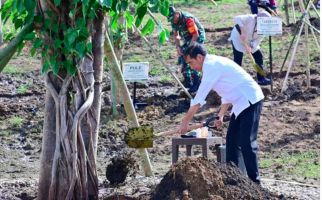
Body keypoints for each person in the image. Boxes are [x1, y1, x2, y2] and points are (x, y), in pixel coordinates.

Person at [179, 44, 264, 184]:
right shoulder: (212, 65)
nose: (191, 67)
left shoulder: (211, 66)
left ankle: (255, 183)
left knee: (247, 142)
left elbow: (199, 98)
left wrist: (185, 121)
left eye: (191, 62)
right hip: (239, 103)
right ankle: (234, 181)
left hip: (250, 99)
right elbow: (227, 93)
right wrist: (220, 115)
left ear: (199, 57)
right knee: (231, 141)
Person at [229, 9, 272, 86]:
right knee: (238, 58)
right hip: (238, 38)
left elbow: (259, 39)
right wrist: (242, 32)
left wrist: (251, 47)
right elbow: (237, 18)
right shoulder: (251, 18)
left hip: (250, 42)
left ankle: (261, 79)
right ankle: (235, 80)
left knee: (259, 56)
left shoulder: (265, 27)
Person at [168, 6, 206, 93]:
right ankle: (188, 82)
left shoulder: (188, 20)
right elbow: (176, 35)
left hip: (197, 37)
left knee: (191, 57)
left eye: (173, 18)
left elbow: (195, 35)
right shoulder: (173, 21)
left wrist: (189, 49)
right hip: (188, 37)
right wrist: (178, 47)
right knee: (182, 57)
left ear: (177, 14)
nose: (173, 21)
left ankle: (197, 82)